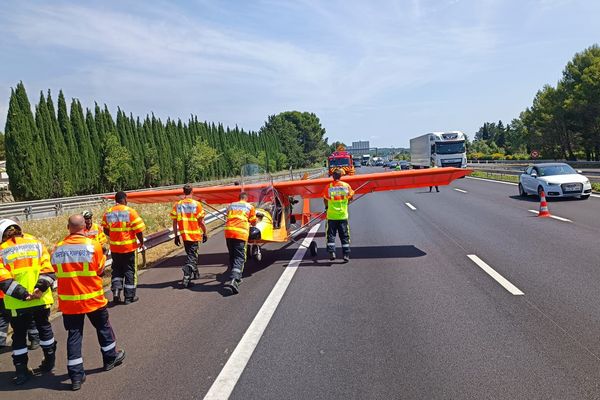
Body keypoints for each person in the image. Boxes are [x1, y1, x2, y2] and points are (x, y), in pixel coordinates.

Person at [52, 215, 125, 391]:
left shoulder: (57, 248)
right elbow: (100, 269)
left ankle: (76, 376)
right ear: (85, 226)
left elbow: (55, 270)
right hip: (92, 298)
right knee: (103, 327)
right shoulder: (93, 246)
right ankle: (109, 358)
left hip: (70, 302)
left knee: (74, 336)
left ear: (68, 227)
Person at [0, 219, 56, 385]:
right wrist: (39, 289)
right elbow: (49, 270)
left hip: (19, 303)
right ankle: (49, 362)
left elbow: (3, 280)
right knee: (44, 328)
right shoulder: (36, 243)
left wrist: (24, 295)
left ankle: (21, 372)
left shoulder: (2, 250)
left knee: (19, 335)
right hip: (41, 298)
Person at [102, 191, 145, 305]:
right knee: (130, 271)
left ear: (115, 200)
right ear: (125, 199)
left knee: (116, 270)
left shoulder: (109, 213)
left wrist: (114, 236)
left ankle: (116, 291)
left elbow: (105, 229)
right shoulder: (130, 211)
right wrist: (141, 242)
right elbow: (139, 230)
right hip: (129, 248)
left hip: (115, 248)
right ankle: (129, 297)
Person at [170, 184, 207, 288]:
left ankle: (195, 273)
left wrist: (176, 235)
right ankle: (186, 276)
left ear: (183, 192)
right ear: (192, 192)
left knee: (191, 255)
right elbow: (202, 222)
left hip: (184, 235)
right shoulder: (196, 204)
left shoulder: (177, 205)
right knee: (193, 256)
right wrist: (205, 232)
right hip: (194, 234)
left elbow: (174, 222)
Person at [223, 192, 257, 294]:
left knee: (232, 255)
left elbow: (227, 215)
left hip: (228, 232)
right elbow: (253, 222)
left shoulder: (231, 205)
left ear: (239, 198)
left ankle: (233, 274)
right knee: (240, 257)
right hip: (240, 233)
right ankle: (235, 279)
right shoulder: (249, 207)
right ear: (246, 199)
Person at [322, 169, 355, 262]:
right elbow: (351, 196)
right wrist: (347, 202)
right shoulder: (346, 186)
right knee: (344, 236)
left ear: (333, 176)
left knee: (331, 235)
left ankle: (332, 252)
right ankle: (346, 255)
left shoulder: (329, 187)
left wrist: (327, 207)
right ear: (341, 176)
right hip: (343, 216)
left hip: (331, 216)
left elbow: (325, 199)